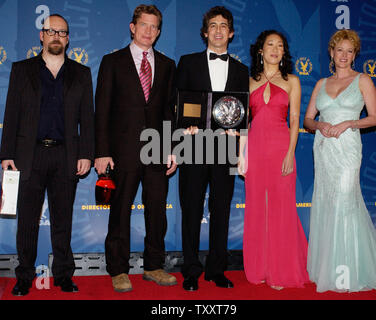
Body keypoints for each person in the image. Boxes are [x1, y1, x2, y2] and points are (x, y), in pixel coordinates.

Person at [0, 14, 95, 296]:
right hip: (28, 156)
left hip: (66, 155)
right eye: (51, 31)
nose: (56, 36)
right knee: (27, 221)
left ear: (68, 38)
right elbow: (11, 114)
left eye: (62, 32)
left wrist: (87, 154)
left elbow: (87, 120)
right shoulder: (21, 70)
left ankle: (64, 275)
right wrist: (6, 153)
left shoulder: (82, 73)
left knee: (63, 220)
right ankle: (24, 277)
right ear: (42, 35)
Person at [304, 29, 376, 292]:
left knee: (345, 205)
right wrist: (320, 124)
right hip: (324, 149)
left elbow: (375, 118)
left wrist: (350, 122)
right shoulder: (320, 84)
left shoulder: (363, 80)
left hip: (348, 149)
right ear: (331, 52)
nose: (344, 56)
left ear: (355, 54)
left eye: (350, 51)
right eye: (340, 50)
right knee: (327, 203)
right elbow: (307, 119)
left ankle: (346, 272)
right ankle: (328, 268)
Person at [94, 4, 177, 293]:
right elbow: (101, 111)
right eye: (144, 25)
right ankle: (118, 269)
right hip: (121, 151)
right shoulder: (112, 62)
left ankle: (154, 266)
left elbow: (169, 111)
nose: (149, 31)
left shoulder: (167, 65)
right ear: (133, 27)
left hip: (156, 149)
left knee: (157, 211)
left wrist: (171, 148)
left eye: (155, 26)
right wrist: (102, 151)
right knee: (120, 211)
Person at [176, 6, 249, 291]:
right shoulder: (188, 62)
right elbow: (177, 105)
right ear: (205, 31)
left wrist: (238, 135)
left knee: (221, 209)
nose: (218, 30)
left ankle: (217, 269)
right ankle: (191, 270)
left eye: (224, 26)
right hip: (194, 146)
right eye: (213, 25)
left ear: (231, 33)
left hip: (226, 147)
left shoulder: (242, 70)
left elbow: (242, 112)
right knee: (191, 209)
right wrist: (184, 130)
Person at [238, 30, 309, 289]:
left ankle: (281, 269)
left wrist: (290, 152)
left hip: (281, 148)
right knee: (257, 208)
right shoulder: (248, 81)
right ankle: (260, 268)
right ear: (260, 50)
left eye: (280, 45)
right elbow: (243, 122)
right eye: (270, 44)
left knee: (281, 209)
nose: (275, 49)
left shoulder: (293, 80)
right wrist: (240, 155)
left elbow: (294, 119)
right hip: (255, 148)